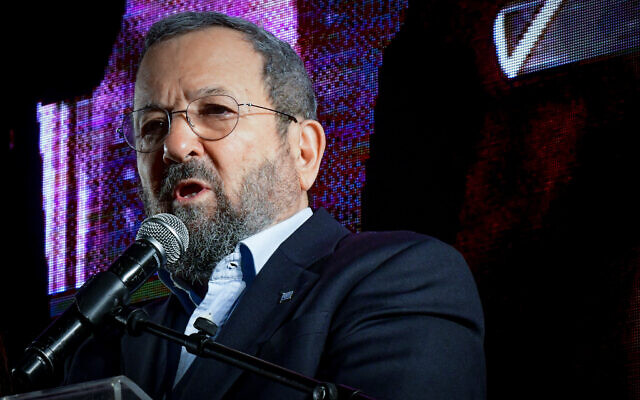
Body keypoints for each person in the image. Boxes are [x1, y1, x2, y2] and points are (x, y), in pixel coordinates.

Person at [65, 11, 486, 399]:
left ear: (303, 152)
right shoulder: (106, 339)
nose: (174, 146)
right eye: (153, 126)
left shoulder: (402, 277)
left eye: (215, 110)